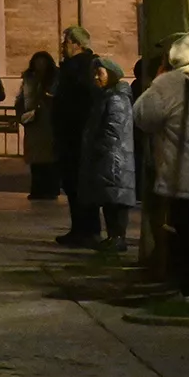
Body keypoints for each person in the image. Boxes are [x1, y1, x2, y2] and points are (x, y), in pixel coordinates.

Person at [134, 29, 189, 303]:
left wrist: (157, 80)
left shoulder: (169, 83)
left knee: (186, 232)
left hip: (184, 174)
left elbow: (142, 116)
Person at [79, 57, 137, 252]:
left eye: (100, 73)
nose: (96, 77)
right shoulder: (105, 96)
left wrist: (98, 146)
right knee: (109, 198)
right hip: (108, 157)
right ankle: (113, 236)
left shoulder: (116, 98)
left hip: (114, 158)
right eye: (94, 74)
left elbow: (114, 129)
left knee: (116, 198)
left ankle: (118, 237)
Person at [53, 25, 99, 245]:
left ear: (77, 44)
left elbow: (76, 101)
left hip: (75, 134)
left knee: (77, 183)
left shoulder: (79, 67)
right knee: (77, 184)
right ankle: (82, 229)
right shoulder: (83, 66)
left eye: (66, 43)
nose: (63, 47)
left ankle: (84, 230)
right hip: (76, 133)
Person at [16, 51, 59, 200]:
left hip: (48, 122)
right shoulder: (29, 79)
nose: (40, 65)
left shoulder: (54, 79)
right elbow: (21, 99)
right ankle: (37, 189)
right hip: (33, 121)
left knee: (49, 159)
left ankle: (50, 189)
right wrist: (21, 113)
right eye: (37, 62)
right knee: (36, 160)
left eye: (42, 62)